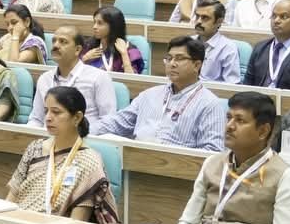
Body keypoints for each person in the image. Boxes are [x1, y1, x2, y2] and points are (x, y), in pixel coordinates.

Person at [176, 92, 290, 224]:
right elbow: (188, 222)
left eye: (240, 120)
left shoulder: (286, 177)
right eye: (229, 118)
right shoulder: (212, 163)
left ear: (263, 131)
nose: (229, 126)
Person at [6, 86, 119, 222]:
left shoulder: (89, 161)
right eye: (46, 111)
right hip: (17, 222)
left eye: (56, 112)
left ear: (77, 117)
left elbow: (76, 223)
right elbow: (11, 199)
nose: (48, 118)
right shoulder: (35, 148)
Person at [92, 36, 223, 150]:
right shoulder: (149, 95)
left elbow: (212, 151)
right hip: (136, 158)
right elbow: (118, 122)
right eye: (169, 58)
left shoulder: (210, 105)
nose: (172, 64)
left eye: (179, 59)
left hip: (176, 166)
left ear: (197, 65)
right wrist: (85, 130)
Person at [29, 25, 116, 128]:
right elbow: (37, 119)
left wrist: (76, 134)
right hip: (48, 136)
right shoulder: (45, 79)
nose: (55, 45)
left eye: (63, 41)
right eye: (54, 41)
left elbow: (108, 121)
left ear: (77, 50)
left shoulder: (99, 77)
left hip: (84, 136)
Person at [80, 4, 144, 74]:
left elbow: (132, 79)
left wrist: (124, 54)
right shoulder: (88, 46)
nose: (94, 27)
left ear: (113, 26)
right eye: (94, 22)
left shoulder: (129, 50)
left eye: (100, 23)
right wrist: (84, 59)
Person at [192, 1, 240, 84]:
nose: (198, 21)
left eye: (205, 18)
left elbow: (232, 84)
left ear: (219, 22)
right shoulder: (187, 42)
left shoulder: (228, 48)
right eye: (197, 16)